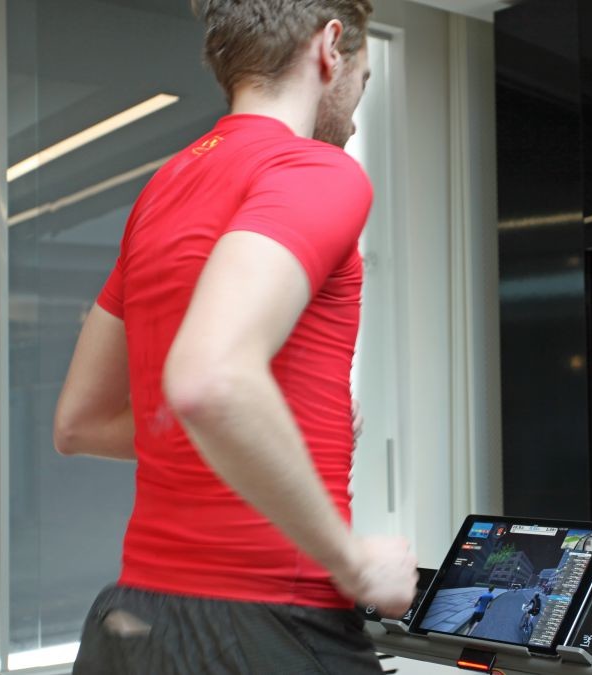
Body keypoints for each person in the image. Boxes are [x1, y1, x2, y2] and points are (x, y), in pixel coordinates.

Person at [51, 1, 417, 672]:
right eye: (362, 82)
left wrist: (277, 425)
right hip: (269, 622)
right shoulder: (315, 170)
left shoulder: (164, 187)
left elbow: (81, 422)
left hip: (135, 623)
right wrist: (355, 562)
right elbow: (210, 378)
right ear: (329, 47)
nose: (355, 117)